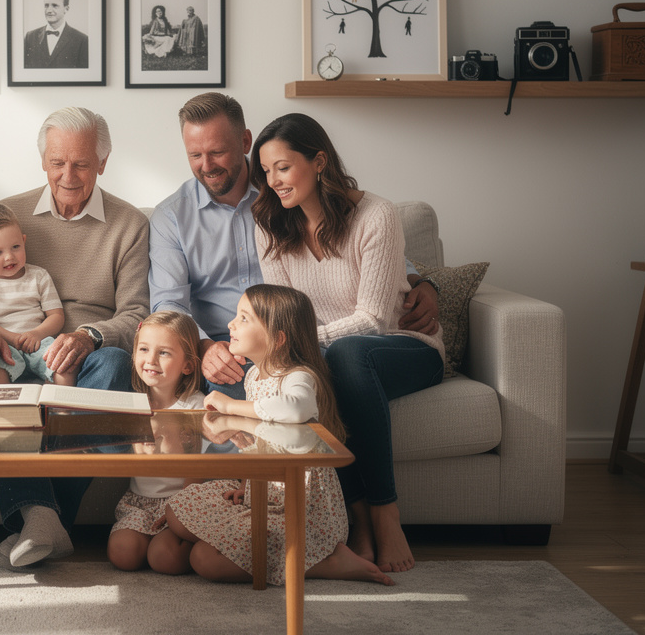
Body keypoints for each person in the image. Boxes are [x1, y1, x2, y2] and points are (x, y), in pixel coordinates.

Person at [0, 107, 150, 571]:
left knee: (117, 365)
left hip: (91, 351)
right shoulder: (6, 218)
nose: (68, 175)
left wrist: (89, 334)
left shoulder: (129, 224)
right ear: (43, 162)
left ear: (103, 163)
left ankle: (38, 516)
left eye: (81, 163)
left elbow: (137, 312)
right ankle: (46, 520)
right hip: (13, 345)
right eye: (57, 162)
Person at [250, 113, 446, 574]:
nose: (274, 181)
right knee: (309, 376)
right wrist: (289, 356)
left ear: (319, 162)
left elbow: (374, 320)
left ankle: (384, 513)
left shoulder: (376, 214)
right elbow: (284, 313)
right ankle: (356, 516)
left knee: (346, 353)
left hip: (405, 346)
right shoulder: (270, 225)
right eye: (266, 172)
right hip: (331, 354)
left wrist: (300, 345)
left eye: (283, 167)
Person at [148, 93, 438, 401]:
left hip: (295, 339)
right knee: (235, 384)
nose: (207, 166)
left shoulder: (288, 194)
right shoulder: (173, 216)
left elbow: (366, 246)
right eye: (195, 155)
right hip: (233, 342)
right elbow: (168, 306)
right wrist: (204, 348)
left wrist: (422, 282)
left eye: (217, 152)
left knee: (339, 362)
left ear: (245, 141)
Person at [157, 284, 394, 586]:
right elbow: (257, 445)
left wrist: (232, 405)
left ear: (278, 338)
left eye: (244, 318)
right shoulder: (254, 375)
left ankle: (323, 562)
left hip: (301, 508)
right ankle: (276, 550)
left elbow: (294, 409)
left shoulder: (299, 376)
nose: (231, 324)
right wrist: (246, 484)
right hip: (263, 494)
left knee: (204, 560)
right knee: (177, 511)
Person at [106, 311, 206, 572]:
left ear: (187, 365)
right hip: (138, 501)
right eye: (143, 349)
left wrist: (181, 511)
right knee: (122, 555)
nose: (150, 360)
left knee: (165, 559)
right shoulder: (132, 402)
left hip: (180, 502)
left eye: (164, 353)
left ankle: (191, 543)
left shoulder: (195, 405)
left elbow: (200, 466)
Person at [0, 203, 69, 385]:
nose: (9, 257)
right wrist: (10, 337)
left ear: (24, 241)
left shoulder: (39, 275)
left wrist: (37, 333)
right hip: (1, 344)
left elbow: (56, 315)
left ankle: (57, 408)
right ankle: (9, 412)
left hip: (38, 342)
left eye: (15, 247)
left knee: (64, 368)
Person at [23, 0, 88, 70]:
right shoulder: (30, 37)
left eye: (55, 6)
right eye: (46, 5)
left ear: (66, 9)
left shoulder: (82, 40)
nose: (49, 10)